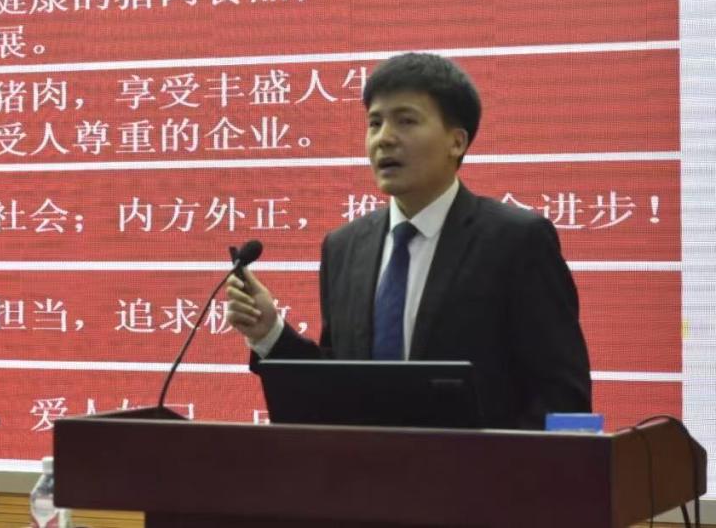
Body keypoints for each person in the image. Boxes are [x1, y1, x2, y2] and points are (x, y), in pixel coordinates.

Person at [225, 52, 591, 429]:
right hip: (367, 466)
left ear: (456, 141)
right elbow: (338, 385)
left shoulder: (516, 241)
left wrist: (491, 459)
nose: (384, 139)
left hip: (478, 467)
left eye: (406, 121)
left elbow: (562, 395)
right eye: (375, 123)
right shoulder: (344, 248)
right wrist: (269, 332)